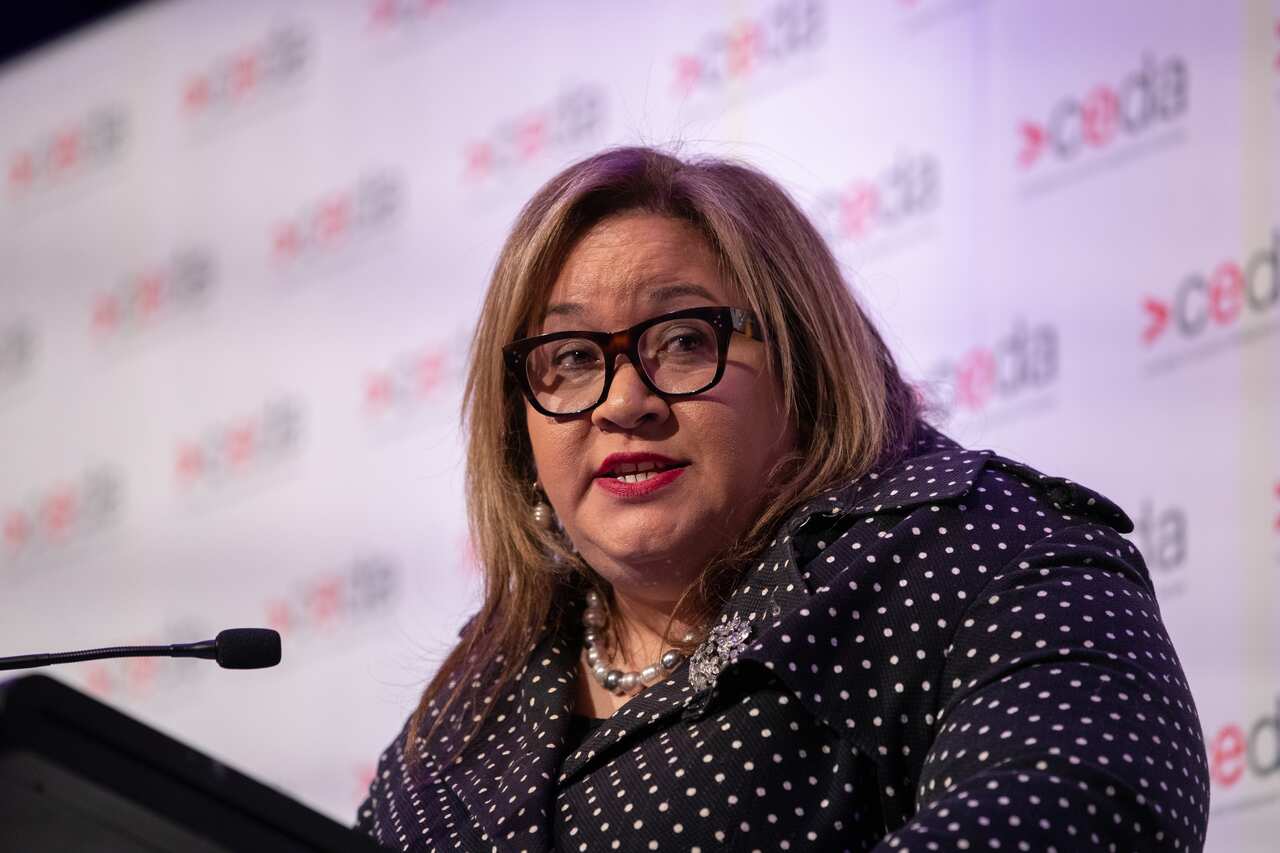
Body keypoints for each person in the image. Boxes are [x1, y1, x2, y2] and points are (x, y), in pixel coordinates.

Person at [357, 147, 1209, 852]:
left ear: (803, 369)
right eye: (572, 359)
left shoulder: (981, 550)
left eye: (685, 340)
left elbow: (1083, 807)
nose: (623, 402)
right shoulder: (472, 704)